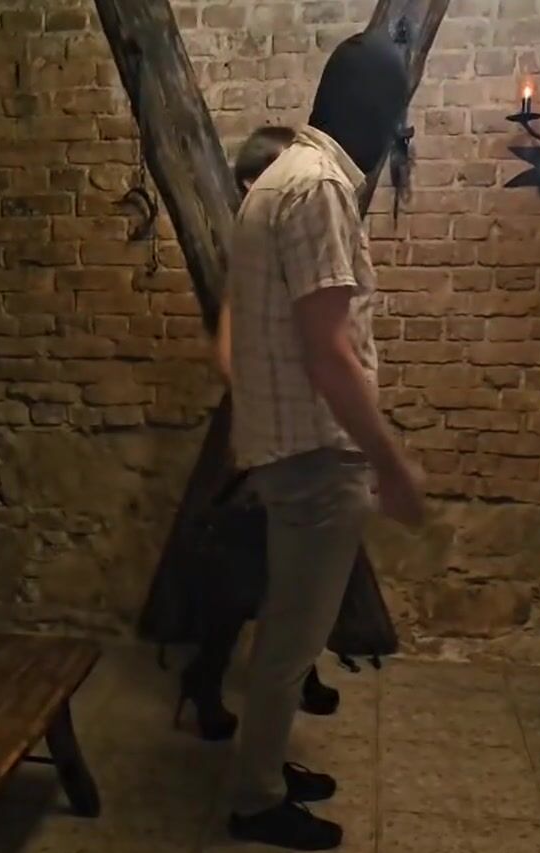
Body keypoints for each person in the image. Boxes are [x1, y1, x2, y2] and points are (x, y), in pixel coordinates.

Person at [223, 30, 425, 851]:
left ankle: (267, 768)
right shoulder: (319, 189)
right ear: (371, 109)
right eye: (395, 112)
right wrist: (390, 462)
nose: (396, 131)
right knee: (292, 641)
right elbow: (329, 352)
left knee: (288, 628)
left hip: (288, 448)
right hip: (314, 456)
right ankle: (255, 799)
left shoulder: (281, 178)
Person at [177, 125, 340, 741]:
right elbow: (227, 356)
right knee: (245, 565)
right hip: (262, 427)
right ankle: (205, 677)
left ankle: (298, 669)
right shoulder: (251, 260)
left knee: (305, 563)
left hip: (303, 428)